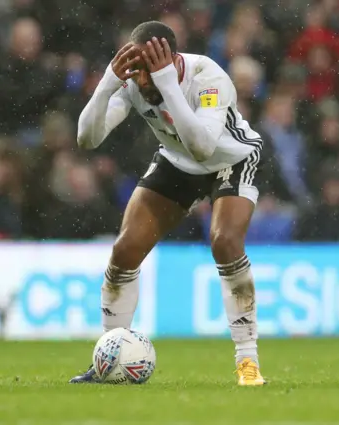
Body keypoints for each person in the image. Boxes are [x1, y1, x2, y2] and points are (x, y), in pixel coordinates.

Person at [70, 21, 265, 386]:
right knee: (124, 251)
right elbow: (86, 138)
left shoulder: (209, 76)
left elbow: (204, 146)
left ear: (171, 60)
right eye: (136, 70)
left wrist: (167, 84)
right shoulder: (132, 83)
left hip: (231, 160)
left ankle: (247, 362)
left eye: (149, 70)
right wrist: (109, 83)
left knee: (224, 242)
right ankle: (108, 360)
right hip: (178, 160)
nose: (142, 80)